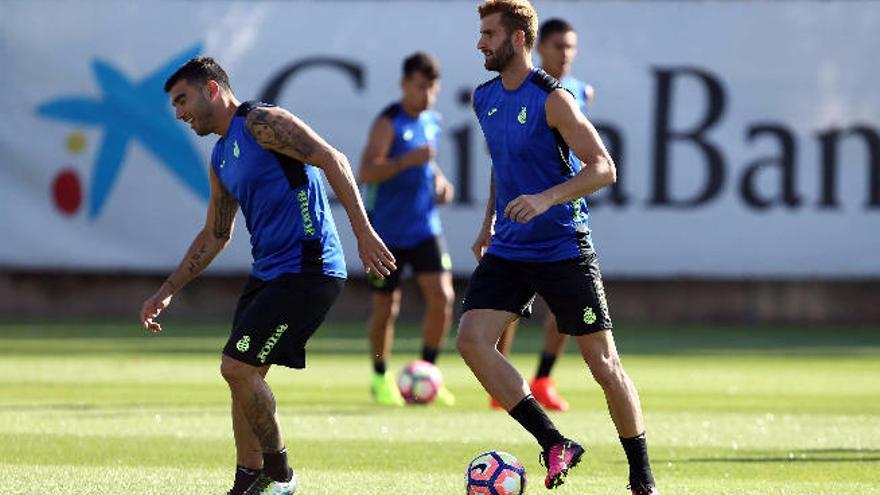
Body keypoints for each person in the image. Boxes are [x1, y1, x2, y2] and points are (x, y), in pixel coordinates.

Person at [139, 56, 395, 495]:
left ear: (212, 90)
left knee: (236, 368)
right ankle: (248, 480)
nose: (178, 113)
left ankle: (281, 476)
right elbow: (216, 233)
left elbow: (333, 159)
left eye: (182, 100)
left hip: (309, 268)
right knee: (243, 376)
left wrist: (364, 233)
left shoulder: (262, 122)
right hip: (270, 273)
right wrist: (167, 289)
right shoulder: (221, 157)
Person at [457, 2, 658, 493]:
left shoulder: (554, 98)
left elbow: (604, 167)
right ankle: (553, 442)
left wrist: (545, 199)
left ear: (519, 39)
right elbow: (500, 166)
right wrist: (488, 224)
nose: (480, 43)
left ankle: (642, 477)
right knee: (470, 340)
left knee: (604, 367)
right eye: (480, 33)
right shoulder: (483, 97)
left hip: (564, 247)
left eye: (488, 34)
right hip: (510, 248)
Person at [493, 17, 596, 413]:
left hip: (562, 217)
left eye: (571, 47)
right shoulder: (522, 91)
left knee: (562, 310)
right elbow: (502, 162)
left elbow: (590, 160)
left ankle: (543, 378)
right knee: (511, 306)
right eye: (558, 47)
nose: (565, 55)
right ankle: (501, 382)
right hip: (520, 217)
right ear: (540, 49)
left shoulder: (578, 93)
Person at [358, 52, 456, 406]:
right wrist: (404, 162)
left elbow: (428, 165)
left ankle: (427, 373)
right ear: (404, 85)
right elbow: (367, 171)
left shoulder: (432, 120)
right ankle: (380, 377)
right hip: (387, 232)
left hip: (424, 227)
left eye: (432, 88)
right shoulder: (389, 122)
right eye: (419, 87)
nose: (426, 95)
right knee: (387, 307)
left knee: (442, 298)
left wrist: (440, 181)